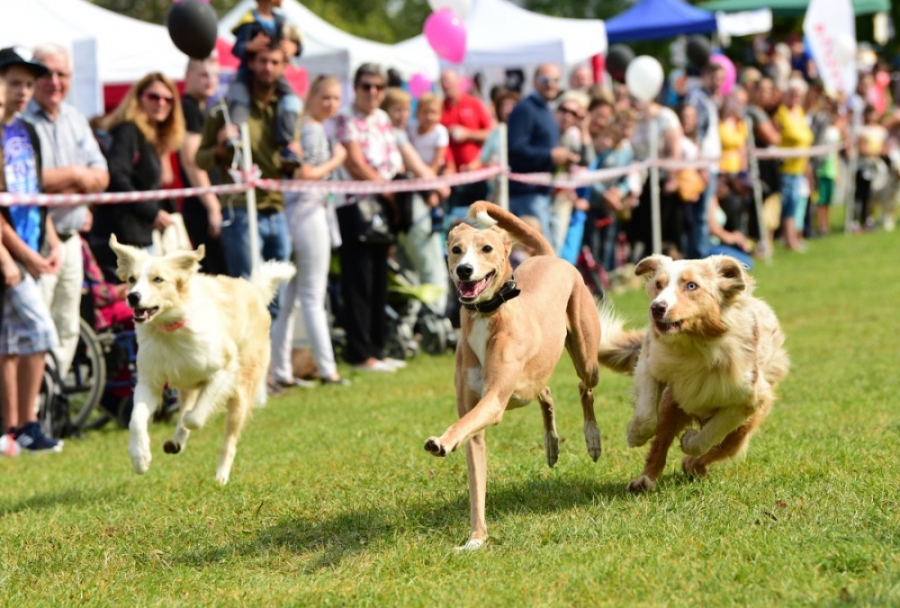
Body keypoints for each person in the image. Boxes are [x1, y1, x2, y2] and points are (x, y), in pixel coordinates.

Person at [24, 43, 109, 377]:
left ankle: (51, 402)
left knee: (67, 325)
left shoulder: (75, 118)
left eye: (62, 74)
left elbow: (102, 175)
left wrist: (64, 182)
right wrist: (75, 176)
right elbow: (24, 182)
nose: (54, 81)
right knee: (36, 325)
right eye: (46, 73)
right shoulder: (18, 121)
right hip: (35, 242)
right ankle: (28, 410)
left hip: (73, 239)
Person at [332, 63, 416, 372]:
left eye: (378, 87)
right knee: (359, 280)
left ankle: (377, 349)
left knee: (381, 277)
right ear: (355, 88)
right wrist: (386, 189)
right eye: (366, 86)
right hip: (356, 205)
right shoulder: (345, 119)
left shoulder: (381, 118)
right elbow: (355, 163)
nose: (372, 92)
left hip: (384, 206)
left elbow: (394, 158)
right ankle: (360, 352)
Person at [0, 52, 64, 453]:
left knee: (10, 341)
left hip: (29, 245)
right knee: (40, 330)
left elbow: (36, 195)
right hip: (10, 254)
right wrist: (18, 258)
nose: (22, 91)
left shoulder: (27, 131)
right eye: (14, 83)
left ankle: (13, 430)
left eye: (27, 83)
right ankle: (28, 422)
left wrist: (52, 240)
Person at [269, 75, 349, 389]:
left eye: (335, 98)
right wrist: (337, 159)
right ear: (312, 96)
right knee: (312, 297)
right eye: (325, 97)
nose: (330, 104)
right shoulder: (312, 129)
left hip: (295, 213)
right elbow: (306, 174)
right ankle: (328, 370)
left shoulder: (304, 126)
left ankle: (281, 371)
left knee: (289, 299)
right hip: (309, 213)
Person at [196, 41, 293, 295]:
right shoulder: (225, 109)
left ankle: (271, 337)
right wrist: (219, 147)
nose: (268, 68)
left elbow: (293, 167)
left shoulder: (286, 110)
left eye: (274, 62)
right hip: (239, 210)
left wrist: (295, 156)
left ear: (284, 67)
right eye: (262, 61)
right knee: (249, 294)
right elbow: (200, 160)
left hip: (276, 208)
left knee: (276, 294)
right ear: (250, 63)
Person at [90, 72, 183, 280]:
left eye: (168, 99)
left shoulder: (150, 137)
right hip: (122, 238)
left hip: (140, 236)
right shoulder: (127, 130)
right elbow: (117, 177)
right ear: (138, 98)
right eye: (154, 97)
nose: (161, 103)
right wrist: (153, 214)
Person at [507, 63, 580, 239]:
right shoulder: (526, 109)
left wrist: (562, 158)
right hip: (526, 195)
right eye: (544, 79)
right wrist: (551, 155)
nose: (550, 84)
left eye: (555, 80)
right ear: (534, 82)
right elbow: (515, 149)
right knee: (542, 256)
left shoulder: (545, 109)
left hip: (541, 193)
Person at [228, 0, 303, 168]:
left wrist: (293, 47)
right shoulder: (248, 19)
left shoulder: (281, 20)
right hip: (247, 74)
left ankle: (287, 143)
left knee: (292, 100)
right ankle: (235, 133)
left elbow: (296, 44)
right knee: (239, 96)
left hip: (276, 79)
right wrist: (249, 46)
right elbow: (236, 48)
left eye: (274, 62)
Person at [179, 56, 228, 275]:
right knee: (216, 276)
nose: (210, 81)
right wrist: (213, 207)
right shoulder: (188, 107)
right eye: (203, 75)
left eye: (215, 75)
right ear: (188, 76)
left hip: (205, 203)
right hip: (200, 208)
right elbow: (191, 161)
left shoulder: (201, 108)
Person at [685, 61, 724, 259]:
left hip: (711, 163)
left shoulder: (711, 99)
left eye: (721, 79)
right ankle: (699, 256)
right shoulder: (699, 98)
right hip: (704, 163)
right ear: (706, 76)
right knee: (700, 215)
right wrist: (701, 165)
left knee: (703, 213)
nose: (719, 83)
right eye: (715, 78)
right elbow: (697, 134)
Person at [440, 68, 493, 209]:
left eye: (449, 81)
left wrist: (468, 134)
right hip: (452, 177)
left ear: (458, 82)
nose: (446, 85)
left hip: (477, 174)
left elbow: (491, 134)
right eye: (443, 82)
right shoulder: (439, 108)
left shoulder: (474, 103)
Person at [773, 78, 814, 251]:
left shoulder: (800, 112)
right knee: (788, 203)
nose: (795, 97)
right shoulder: (780, 113)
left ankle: (792, 237)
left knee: (795, 203)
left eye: (798, 95)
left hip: (799, 167)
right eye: (793, 94)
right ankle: (789, 239)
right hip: (786, 168)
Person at [855, 104, 888, 231]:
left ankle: (869, 220)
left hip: (877, 167)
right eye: (868, 113)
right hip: (864, 166)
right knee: (862, 194)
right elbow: (861, 148)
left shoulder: (880, 130)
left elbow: (884, 147)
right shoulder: (862, 130)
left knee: (873, 195)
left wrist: (880, 152)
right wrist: (875, 152)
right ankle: (857, 220)